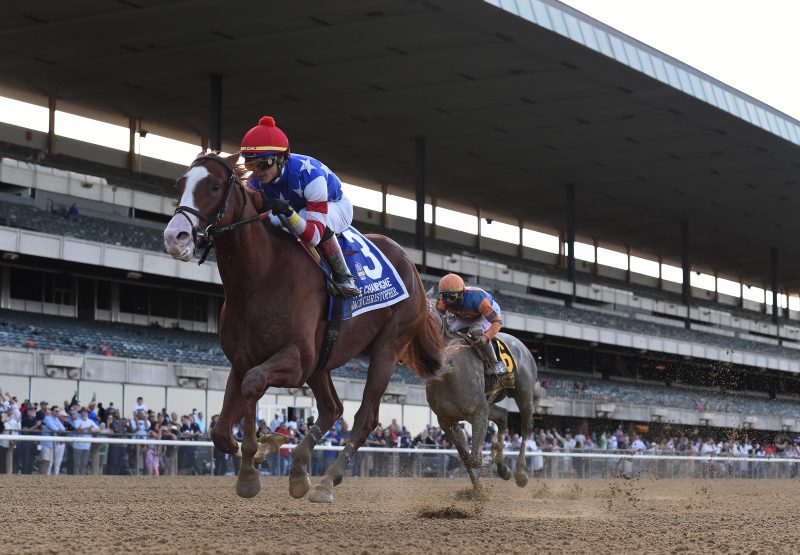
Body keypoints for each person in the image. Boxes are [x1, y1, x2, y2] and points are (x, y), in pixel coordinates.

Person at [239, 115, 359, 297]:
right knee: (272, 222)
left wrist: (288, 211)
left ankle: (343, 276)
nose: (257, 173)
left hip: (335, 206)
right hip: (301, 209)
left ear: (281, 159)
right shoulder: (255, 182)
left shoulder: (310, 176)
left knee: (300, 215)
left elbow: (313, 236)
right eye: (250, 166)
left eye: (263, 164)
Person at [436, 273, 507, 376]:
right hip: (465, 314)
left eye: (451, 297)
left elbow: (497, 322)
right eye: (444, 296)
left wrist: (486, 337)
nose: (447, 301)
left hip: (483, 313)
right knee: (448, 329)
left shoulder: (478, 299)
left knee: (476, 330)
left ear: (462, 294)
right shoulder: (443, 301)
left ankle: (495, 364)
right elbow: (438, 318)